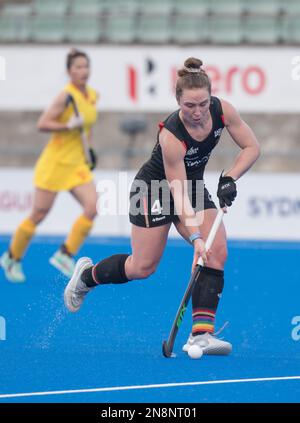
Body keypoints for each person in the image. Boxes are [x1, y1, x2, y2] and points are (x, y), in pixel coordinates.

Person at [63, 57, 260, 355]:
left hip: (190, 185)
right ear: (178, 101)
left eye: (203, 104)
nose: (197, 112)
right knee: (142, 267)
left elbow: (252, 147)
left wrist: (230, 177)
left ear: (211, 97)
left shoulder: (223, 111)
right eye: (189, 106)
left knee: (216, 250)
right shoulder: (171, 135)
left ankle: (200, 336)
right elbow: (176, 192)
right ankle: (86, 277)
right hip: (154, 189)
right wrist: (195, 238)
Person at [0, 48, 99, 283]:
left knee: (93, 206)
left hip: (77, 162)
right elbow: (42, 123)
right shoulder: (66, 96)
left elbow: (88, 127)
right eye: (78, 67)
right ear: (69, 71)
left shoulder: (92, 95)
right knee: (39, 213)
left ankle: (64, 254)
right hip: (55, 163)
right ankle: (12, 257)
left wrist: (89, 151)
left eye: (86, 66)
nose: (83, 71)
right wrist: (67, 126)